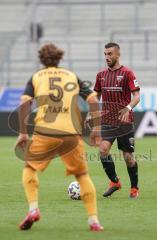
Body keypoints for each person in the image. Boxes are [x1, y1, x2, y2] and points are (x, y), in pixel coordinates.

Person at [15, 43, 103, 231]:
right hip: (71, 132)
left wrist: (23, 133)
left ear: (41, 59)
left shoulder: (36, 77)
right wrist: (96, 129)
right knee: (82, 175)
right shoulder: (71, 76)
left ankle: (33, 209)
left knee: (29, 168)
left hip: (45, 131)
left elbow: (24, 103)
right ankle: (93, 221)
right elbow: (94, 100)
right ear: (59, 58)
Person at [94, 42, 140, 198]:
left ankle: (134, 188)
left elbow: (137, 97)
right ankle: (114, 182)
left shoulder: (128, 73)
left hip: (124, 123)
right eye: (105, 54)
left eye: (110, 54)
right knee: (103, 150)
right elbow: (97, 95)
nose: (107, 57)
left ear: (117, 54)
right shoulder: (101, 75)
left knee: (128, 158)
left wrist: (128, 108)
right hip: (107, 120)